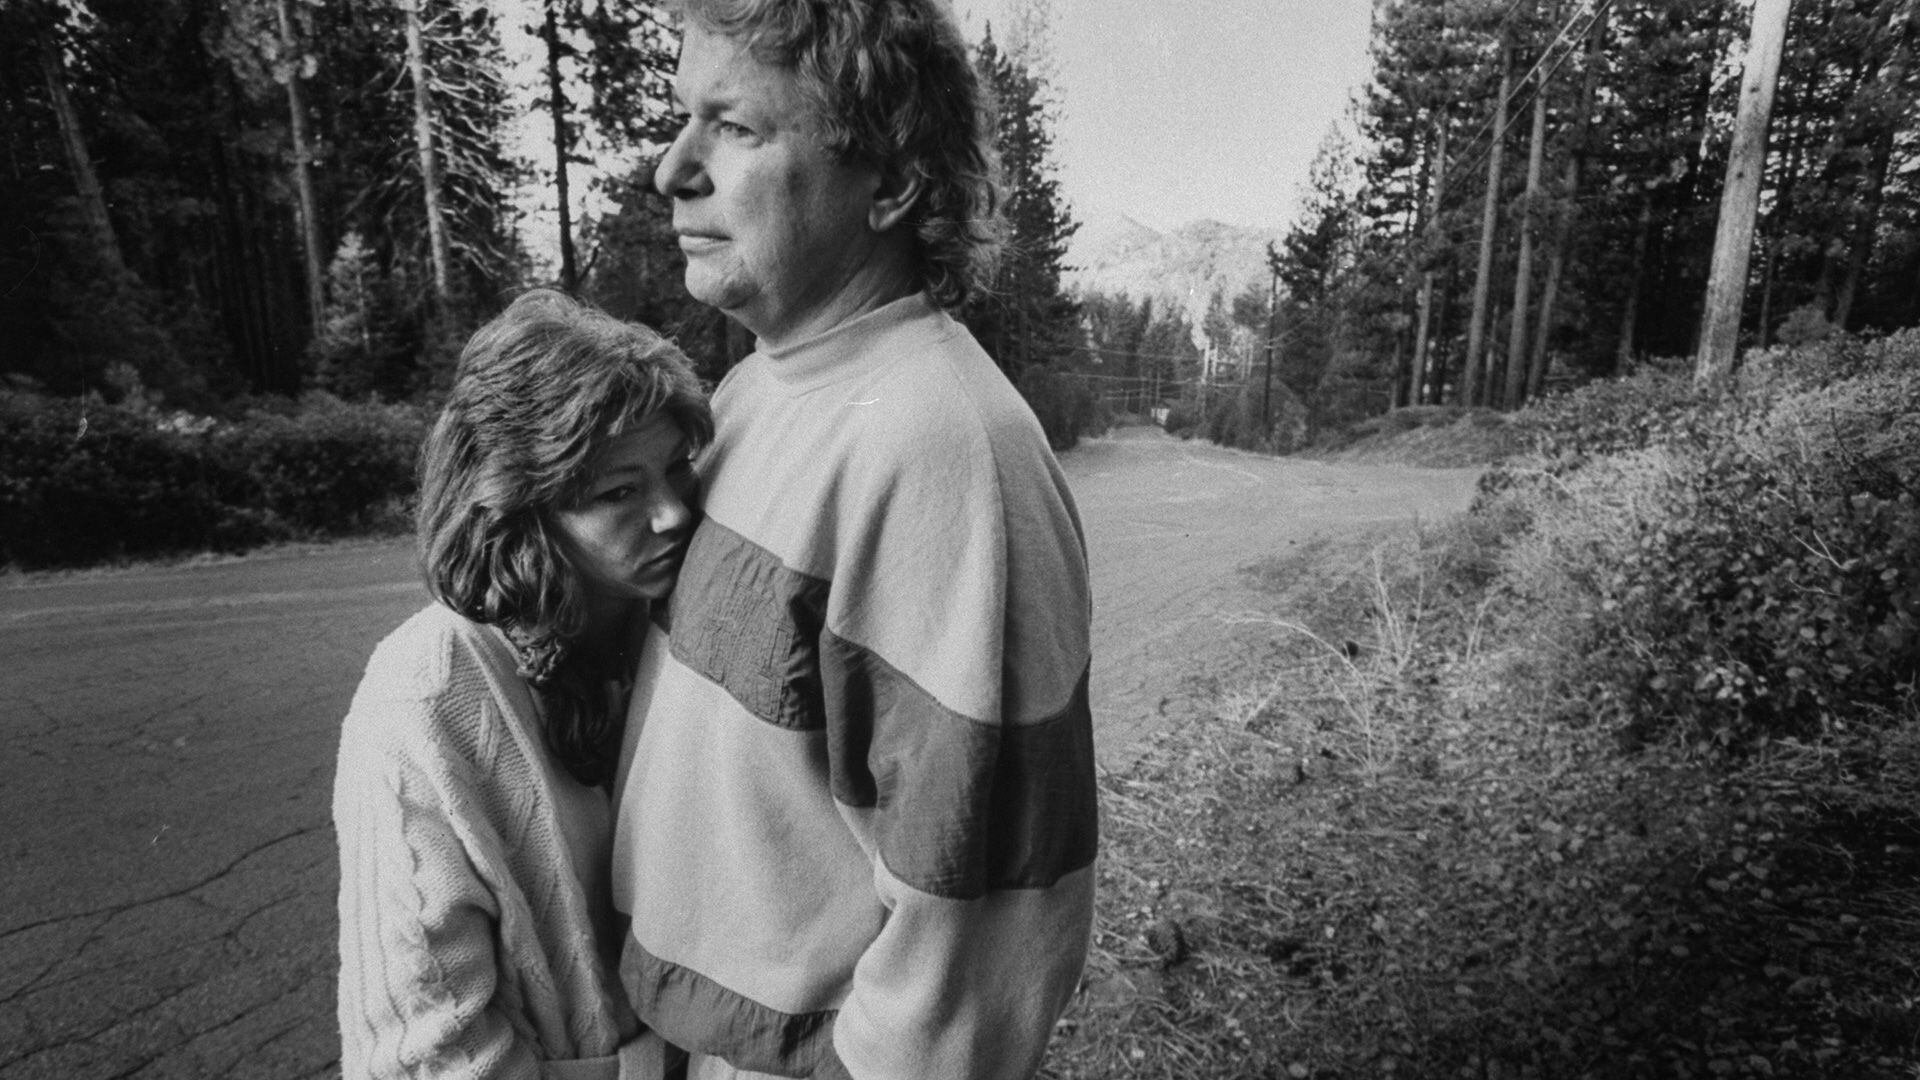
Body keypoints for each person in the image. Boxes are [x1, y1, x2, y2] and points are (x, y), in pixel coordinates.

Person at [608, 2, 1098, 1078]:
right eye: (682, 119)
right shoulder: (749, 392)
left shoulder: (946, 452)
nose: (671, 169)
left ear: (890, 181)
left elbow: (983, 936)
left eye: (733, 128)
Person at [334, 289, 711, 1080]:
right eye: (620, 491)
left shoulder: (677, 625)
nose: (673, 513)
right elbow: (427, 1048)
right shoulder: (428, 693)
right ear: (519, 507)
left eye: (677, 468)